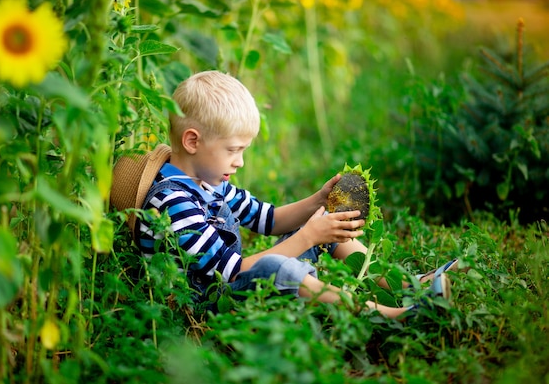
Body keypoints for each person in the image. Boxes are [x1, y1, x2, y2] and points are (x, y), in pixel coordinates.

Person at [112, 70, 458, 319]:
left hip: (237, 285)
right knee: (277, 266)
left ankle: (406, 284)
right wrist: (308, 234)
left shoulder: (210, 182)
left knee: (324, 229)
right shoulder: (173, 203)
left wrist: (318, 203)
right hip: (209, 305)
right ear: (192, 141)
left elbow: (270, 219)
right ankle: (392, 318)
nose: (240, 161)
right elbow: (230, 273)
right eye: (234, 150)